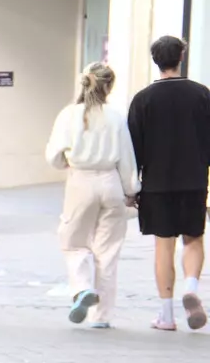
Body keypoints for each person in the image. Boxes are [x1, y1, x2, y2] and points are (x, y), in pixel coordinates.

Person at [46, 63, 138, 330]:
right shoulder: (116, 116)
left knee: (73, 241)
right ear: (109, 86)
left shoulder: (69, 115)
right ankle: (102, 316)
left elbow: (53, 155)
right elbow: (126, 158)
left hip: (80, 180)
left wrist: (67, 162)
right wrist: (131, 190)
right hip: (110, 181)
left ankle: (83, 287)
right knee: (108, 251)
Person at [127, 35, 210, 332]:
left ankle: (166, 315)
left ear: (155, 61)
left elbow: (133, 147)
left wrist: (131, 186)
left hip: (156, 184)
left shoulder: (142, 100)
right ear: (181, 57)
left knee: (163, 246)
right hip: (194, 180)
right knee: (193, 239)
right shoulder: (202, 95)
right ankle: (191, 287)